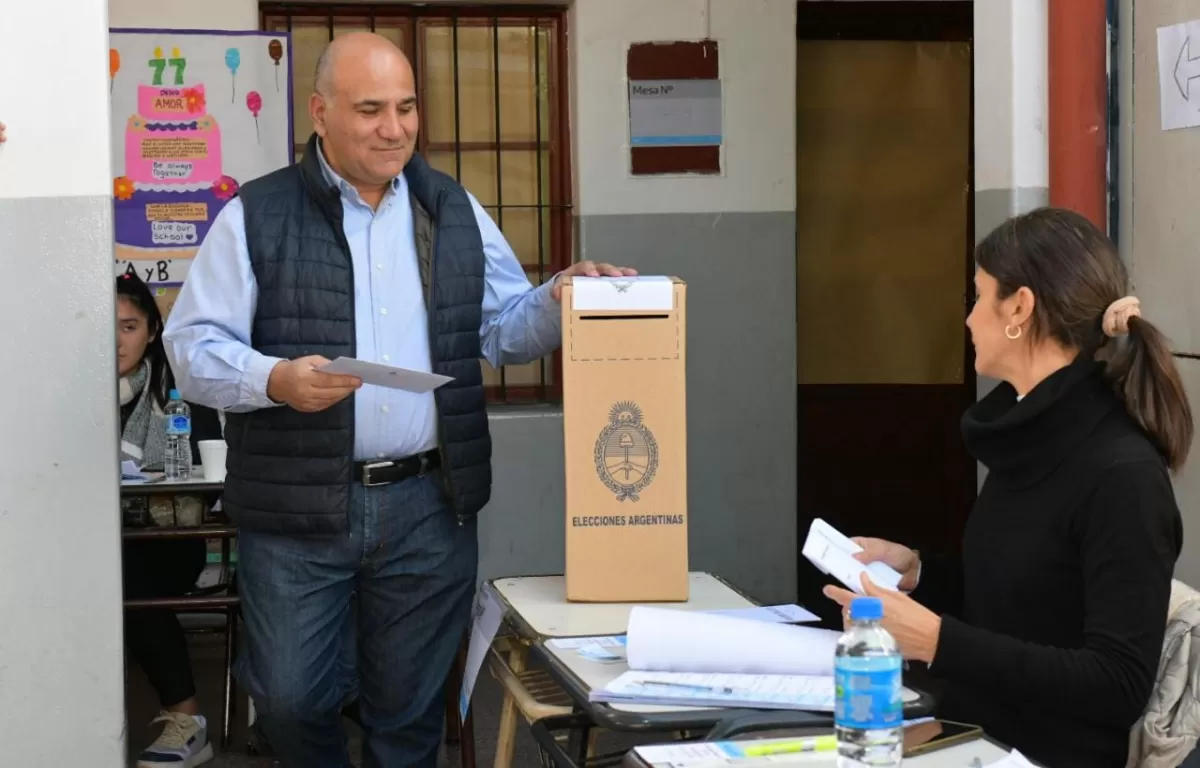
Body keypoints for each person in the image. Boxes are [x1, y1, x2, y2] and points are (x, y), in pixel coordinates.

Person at [163, 31, 636, 767]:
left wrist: (558, 298)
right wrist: (275, 380)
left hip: (427, 504)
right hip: (298, 509)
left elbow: (501, 332)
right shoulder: (256, 215)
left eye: (407, 108)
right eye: (371, 109)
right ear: (320, 114)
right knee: (288, 700)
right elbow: (191, 350)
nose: (395, 129)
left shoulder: (453, 208)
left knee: (410, 715)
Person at [823, 207, 1189, 768]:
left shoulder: (1122, 475)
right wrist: (918, 571)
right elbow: (1025, 598)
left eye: (978, 296)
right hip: (974, 731)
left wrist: (940, 642)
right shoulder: (1029, 433)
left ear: (1019, 307)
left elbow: (1117, 682)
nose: (969, 319)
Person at [117, 273, 222, 767]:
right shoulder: (75, 392)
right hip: (93, 537)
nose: (116, 341)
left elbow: (212, 470)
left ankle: (187, 719)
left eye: (128, 326)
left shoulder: (180, 387)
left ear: (153, 331)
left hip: (172, 536)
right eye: (104, 328)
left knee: (126, 576)